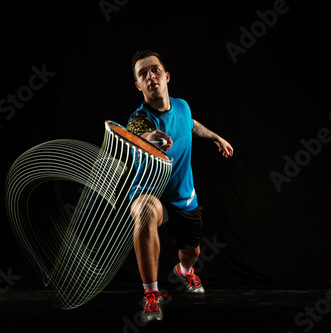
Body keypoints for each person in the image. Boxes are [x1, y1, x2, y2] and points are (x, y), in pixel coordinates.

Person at [127, 50, 234, 322]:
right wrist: (151, 137)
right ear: (138, 85)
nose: (150, 76)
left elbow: (190, 124)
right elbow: (138, 132)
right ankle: (151, 294)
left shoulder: (183, 106)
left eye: (154, 70)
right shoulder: (140, 118)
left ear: (166, 76)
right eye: (143, 74)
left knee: (192, 252)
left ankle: (184, 270)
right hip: (151, 194)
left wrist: (215, 137)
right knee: (144, 211)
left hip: (183, 197)